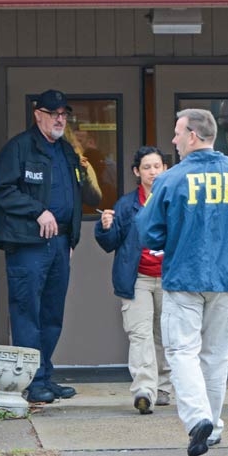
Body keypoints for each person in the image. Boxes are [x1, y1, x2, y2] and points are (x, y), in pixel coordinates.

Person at [136, 108, 228, 456]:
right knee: (216, 356)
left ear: (193, 136)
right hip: (225, 280)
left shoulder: (169, 180)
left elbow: (148, 231)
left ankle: (199, 418)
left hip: (183, 277)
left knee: (182, 352)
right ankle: (212, 425)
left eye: (177, 133)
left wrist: (167, 238)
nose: (173, 140)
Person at [0, 89, 86, 404]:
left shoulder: (66, 151)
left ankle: (44, 376)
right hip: (29, 244)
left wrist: (71, 238)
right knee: (27, 313)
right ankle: (29, 382)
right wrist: (38, 211)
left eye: (64, 114)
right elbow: (3, 191)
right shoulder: (19, 148)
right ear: (38, 114)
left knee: (51, 314)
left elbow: (75, 195)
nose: (60, 118)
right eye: (54, 113)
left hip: (59, 246)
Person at [94, 146, 172, 415]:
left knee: (165, 336)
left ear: (165, 169)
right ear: (137, 172)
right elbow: (110, 242)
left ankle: (164, 387)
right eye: (147, 167)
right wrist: (105, 226)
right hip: (137, 278)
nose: (153, 172)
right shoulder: (127, 204)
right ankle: (144, 391)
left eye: (157, 166)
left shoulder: (174, 199)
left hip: (170, 278)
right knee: (140, 335)